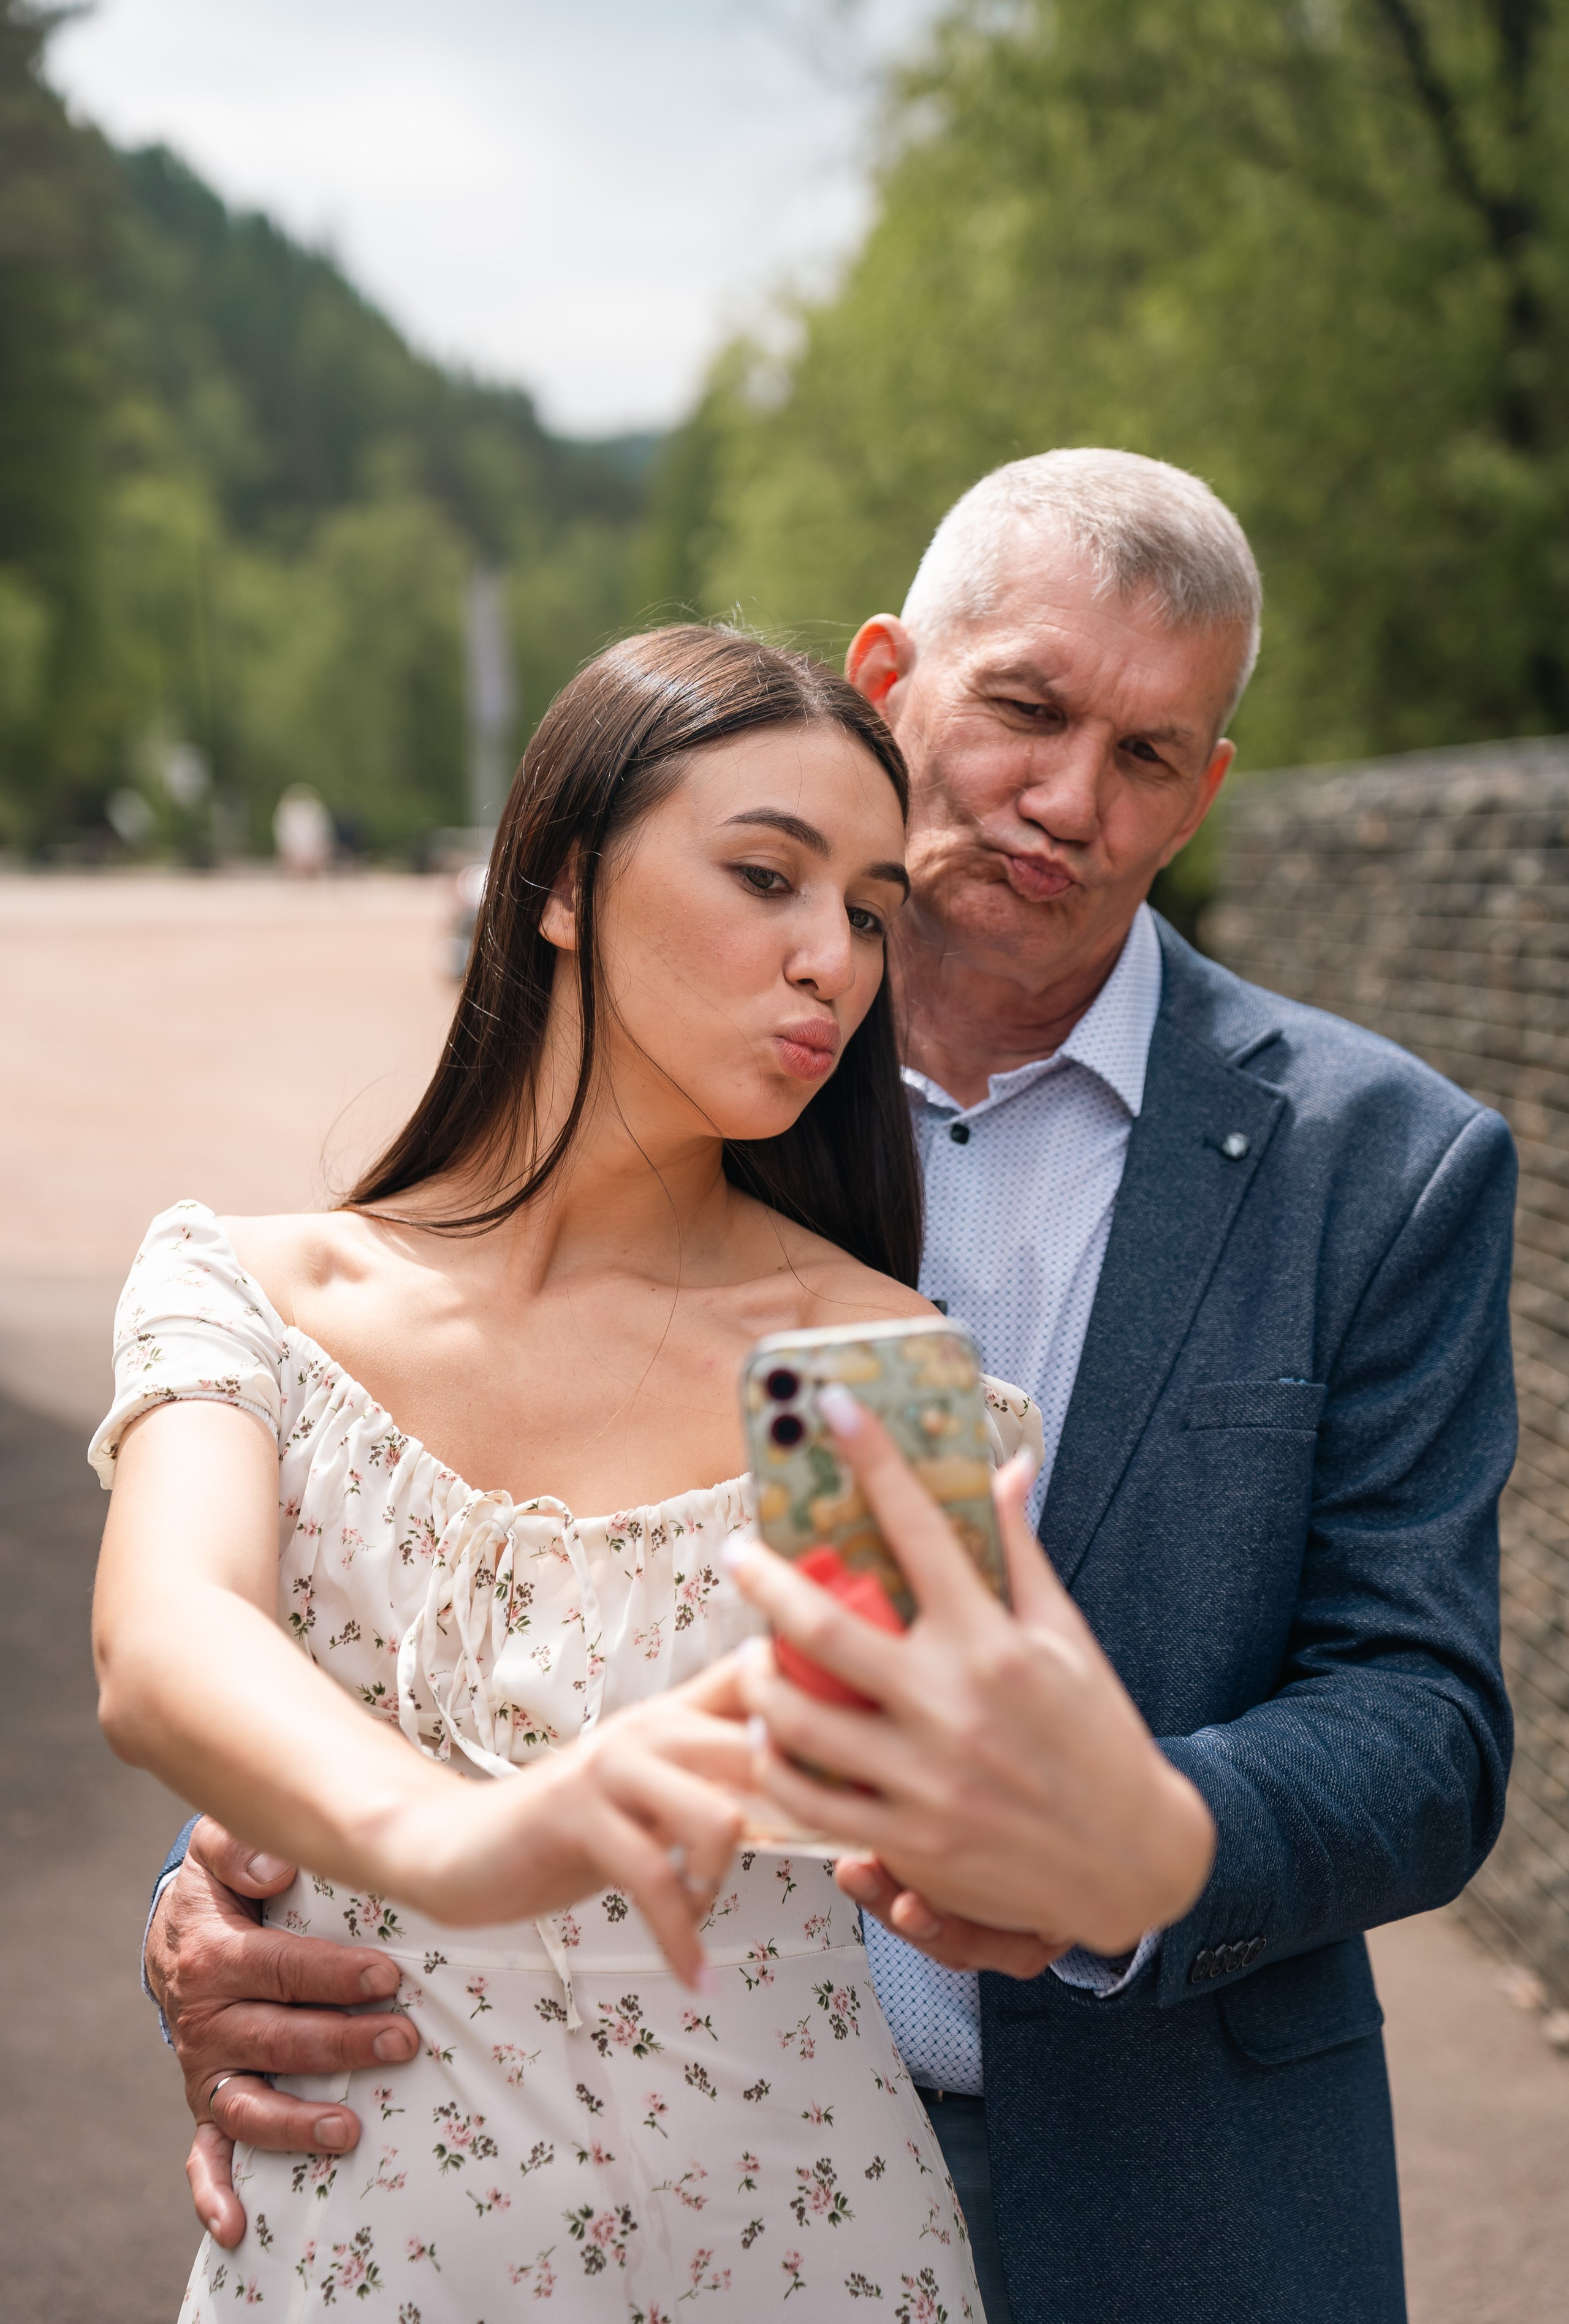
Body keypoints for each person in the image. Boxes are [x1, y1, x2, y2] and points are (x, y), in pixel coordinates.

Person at [139, 452, 1516, 2324]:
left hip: (1156, 2192)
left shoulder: (1381, 1164)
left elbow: (1424, 1719)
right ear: (890, 677)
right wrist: (243, 1882)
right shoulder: (679, 1092)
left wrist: (1126, 1846)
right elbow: (392, 1554)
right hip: (494, 2164)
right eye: (1023, 708)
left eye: (1149, 755)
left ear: (1207, 791)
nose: (1064, 801)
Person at [94, 626, 1059, 2320]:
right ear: (557, 880)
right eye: (767, 876)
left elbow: (946, 1824)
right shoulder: (252, 1292)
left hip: (801, 2251)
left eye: (866, 913)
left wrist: (1023, 1852)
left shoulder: (863, 1363)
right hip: (356, 2252)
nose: (829, 957)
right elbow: (168, 1641)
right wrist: (454, 1842)